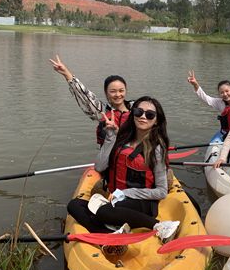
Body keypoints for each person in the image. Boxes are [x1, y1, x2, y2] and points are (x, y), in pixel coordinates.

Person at [66, 96, 180, 252]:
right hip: (117, 200)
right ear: (133, 114)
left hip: (142, 202)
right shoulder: (122, 139)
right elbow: (99, 167)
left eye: (150, 115)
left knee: (103, 211)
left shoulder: (156, 149)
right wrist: (110, 137)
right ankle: (111, 237)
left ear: (156, 121)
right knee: (74, 205)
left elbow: (161, 191)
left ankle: (159, 226)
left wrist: (127, 192)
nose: (143, 117)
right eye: (139, 112)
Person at [50, 55, 133, 146]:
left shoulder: (135, 108)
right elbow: (85, 96)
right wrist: (66, 74)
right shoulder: (103, 111)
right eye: (113, 91)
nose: (118, 94)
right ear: (106, 93)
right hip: (111, 153)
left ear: (126, 90)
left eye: (121, 90)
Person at [187, 70, 230, 135]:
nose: (225, 94)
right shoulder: (220, 102)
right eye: (222, 92)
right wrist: (195, 84)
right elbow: (205, 97)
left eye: (227, 91)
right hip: (226, 133)